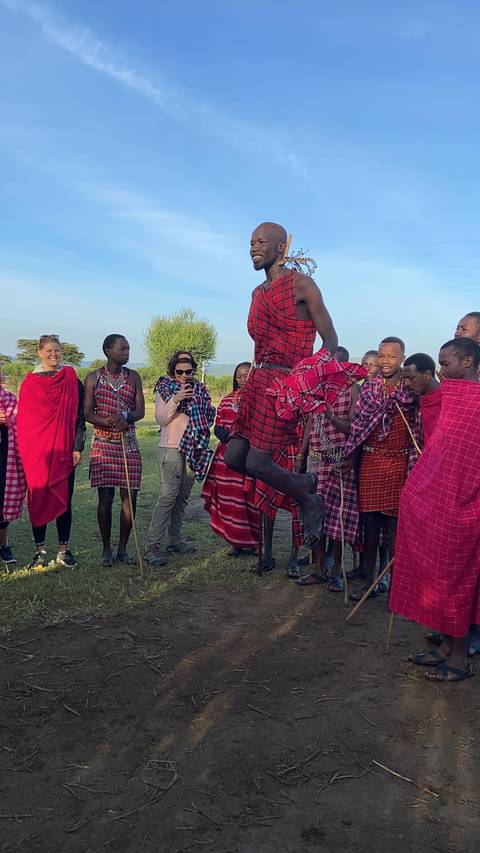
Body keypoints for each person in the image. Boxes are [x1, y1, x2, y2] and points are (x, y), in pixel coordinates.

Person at [224, 222, 338, 547]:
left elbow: (331, 340)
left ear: (280, 248)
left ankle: (308, 500)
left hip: (285, 382)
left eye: (261, 242)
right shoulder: (256, 294)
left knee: (258, 461)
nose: (253, 248)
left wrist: (307, 378)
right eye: (250, 242)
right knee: (234, 458)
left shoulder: (303, 286)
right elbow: (258, 344)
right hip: (259, 380)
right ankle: (303, 483)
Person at [390, 337, 480, 682]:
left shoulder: (474, 400)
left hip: (467, 506)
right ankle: (444, 647)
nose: (441, 370)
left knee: (457, 580)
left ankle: (459, 659)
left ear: (468, 361)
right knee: (440, 577)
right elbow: (440, 451)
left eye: (446, 364)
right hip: (442, 501)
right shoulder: (449, 399)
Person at [339, 337, 416, 601]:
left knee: (395, 527)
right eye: (381, 356)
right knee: (369, 524)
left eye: (391, 357)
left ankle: (396, 585)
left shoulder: (411, 390)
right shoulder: (369, 388)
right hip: (371, 462)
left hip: (399, 464)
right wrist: (350, 457)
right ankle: (369, 580)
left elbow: (419, 428)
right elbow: (358, 428)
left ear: (402, 359)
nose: (385, 361)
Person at [17, 335, 85, 568]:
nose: (54, 354)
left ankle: (64, 550)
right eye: (49, 350)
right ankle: (40, 551)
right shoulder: (29, 383)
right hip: (36, 452)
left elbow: (79, 417)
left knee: (65, 498)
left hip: (65, 449)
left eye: (57, 350)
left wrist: (78, 446)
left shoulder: (71, 379)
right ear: (39, 352)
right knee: (37, 497)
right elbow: (24, 421)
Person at [296, 346, 361, 591]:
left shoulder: (354, 390)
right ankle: (319, 568)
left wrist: (331, 415)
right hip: (315, 461)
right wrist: (302, 454)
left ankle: (335, 572)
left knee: (338, 520)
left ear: (344, 366)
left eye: (334, 365)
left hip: (339, 462)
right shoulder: (317, 390)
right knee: (315, 516)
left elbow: (354, 428)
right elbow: (311, 424)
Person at [144, 351, 215, 567]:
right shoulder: (165, 388)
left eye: (189, 371)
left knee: (182, 497)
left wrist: (200, 404)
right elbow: (161, 418)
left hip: (193, 448)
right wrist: (177, 399)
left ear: (194, 370)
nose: (184, 375)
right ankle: (152, 545)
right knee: (168, 497)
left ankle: (175, 539)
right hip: (171, 448)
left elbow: (209, 417)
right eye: (180, 371)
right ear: (173, 371)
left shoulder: (201, 390)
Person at [84, 335, 144, 567]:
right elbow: (87, 412)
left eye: (128, 348)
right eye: (122, 348)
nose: (127, 352)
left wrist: (126, 416)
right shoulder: (93, 378)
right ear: (108, 350)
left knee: (130, 496)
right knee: (105, 497)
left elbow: (139, 411)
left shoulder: (134, 377)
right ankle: (107, 548)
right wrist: (110, 421)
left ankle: (122, 549)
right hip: (103, 443)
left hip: (128, 443)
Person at [202, 362, 259, 555]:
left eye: (247, 375)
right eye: (240, 376)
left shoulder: (259, 400)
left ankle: (253, 543)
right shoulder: (227, 400)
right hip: (225, 459)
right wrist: (229, 437)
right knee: (229, 501)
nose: (243, 379)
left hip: (248, 458)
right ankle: (234, 542)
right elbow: (218, 427)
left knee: (249, 500)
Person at [0, 366, 25, 567]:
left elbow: (21, 423)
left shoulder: (10, 399)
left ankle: (3, 546)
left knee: (2, 500)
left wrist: (8, 421)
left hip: (4, 457)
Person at [402, 353, 441, 444]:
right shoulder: (415, 400)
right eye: (405, 379)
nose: (406, 383)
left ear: (427, 374)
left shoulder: (448, 400)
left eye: (411, 378)